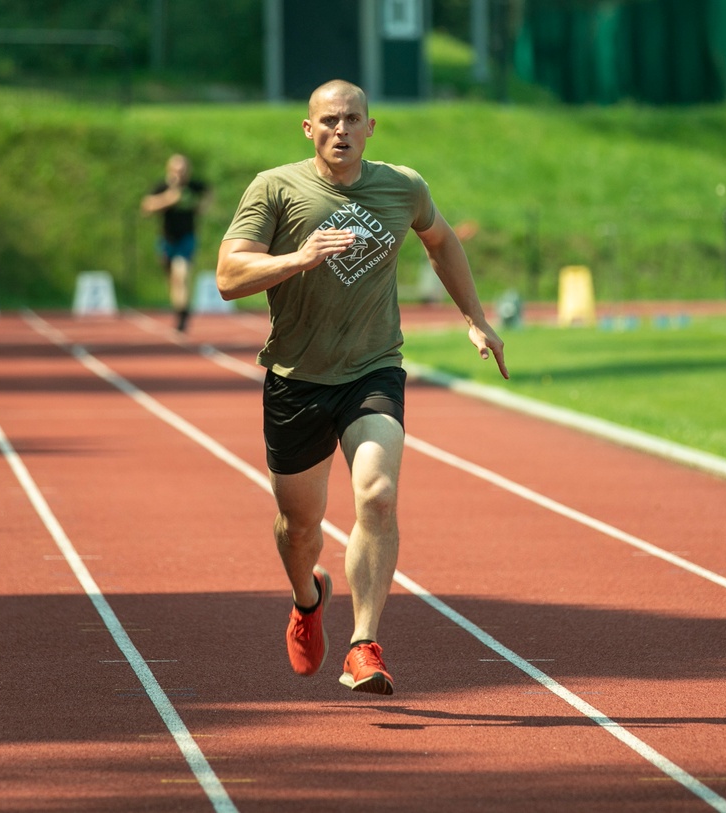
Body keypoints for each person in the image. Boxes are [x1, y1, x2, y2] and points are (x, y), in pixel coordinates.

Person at [216, 80, 509, 696]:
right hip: (297, 380)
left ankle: (363, 645)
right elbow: (227, 275)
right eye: (328, 121)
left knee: (376, 495)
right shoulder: (275, 188)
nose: (340, 130)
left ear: (371, 127)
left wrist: (474, 317)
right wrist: (298, 258)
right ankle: (307, 596)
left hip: (373, 370)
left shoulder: (403, 187)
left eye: (352, 119)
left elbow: (441, 241)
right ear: (308, 128)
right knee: (300, 526)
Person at [141, 154, 211, 332]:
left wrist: (203, 206)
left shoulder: (193, 187)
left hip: (187, 237)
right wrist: (168, 199)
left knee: (182, 274)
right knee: (173, 279)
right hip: (167, 239)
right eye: (176, 170)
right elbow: (146, 207)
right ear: (169, 170)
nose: (180, 174)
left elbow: (208, 191)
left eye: (183, 170)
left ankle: (183, 316)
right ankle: (179, 311)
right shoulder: (162, 187)